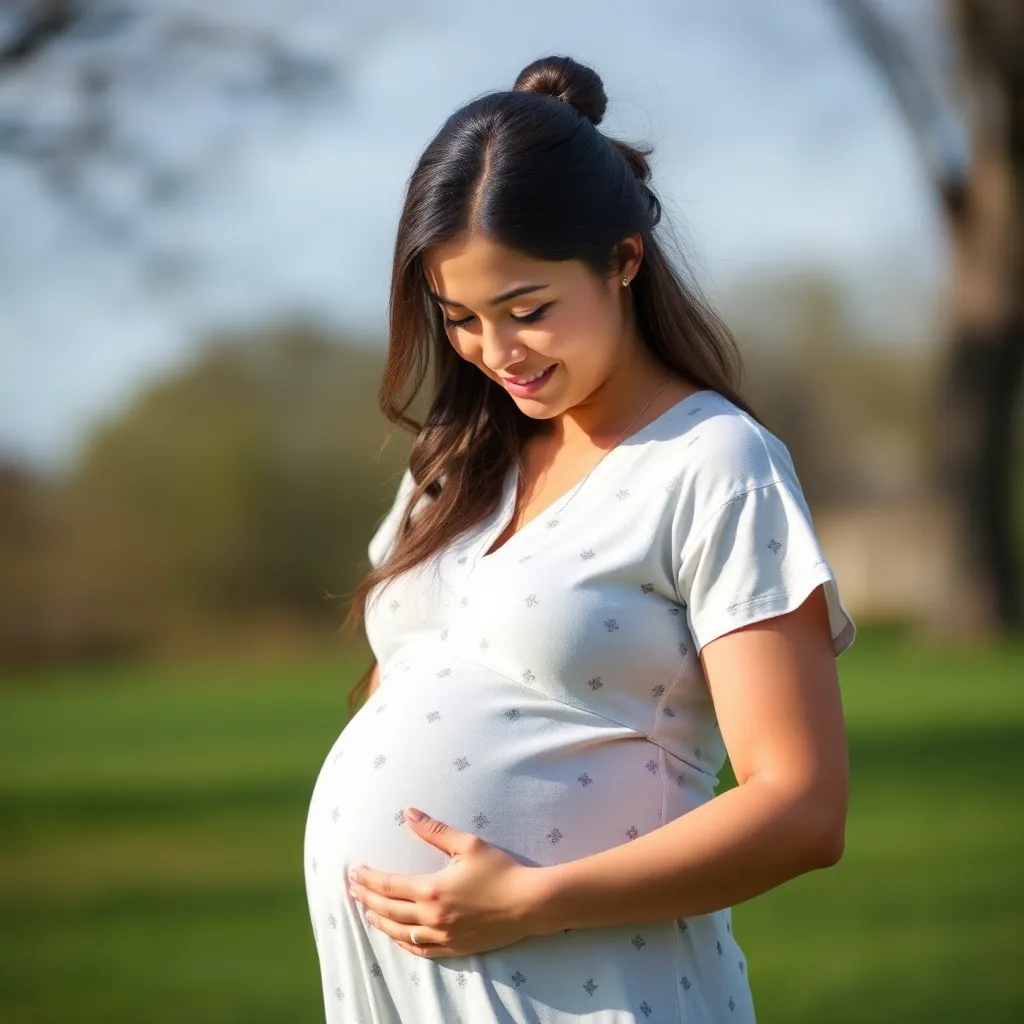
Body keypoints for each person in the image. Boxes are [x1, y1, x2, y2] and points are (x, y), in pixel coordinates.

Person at [303, 53, 855, 1024]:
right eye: (462, 319)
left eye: (528, 311)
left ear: (623, 259)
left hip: (593, 989)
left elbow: (803, 806)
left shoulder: (714, 462)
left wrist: (532, 899)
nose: (497, 352)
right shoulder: (455, 458)